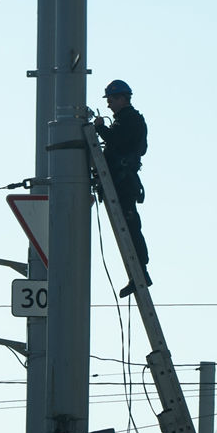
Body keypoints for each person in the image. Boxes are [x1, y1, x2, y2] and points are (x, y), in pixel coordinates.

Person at [93, 79, 151, 298]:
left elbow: (115, 138)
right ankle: (138, 272)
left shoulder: (128, 119)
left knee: (129, 223)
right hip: (124, 178)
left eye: (111, 100)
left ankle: (140, 272)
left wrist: (99, 127)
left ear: (121, 98)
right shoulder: (132, 119)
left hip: (122, 179)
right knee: (129, 223)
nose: (109, 105)